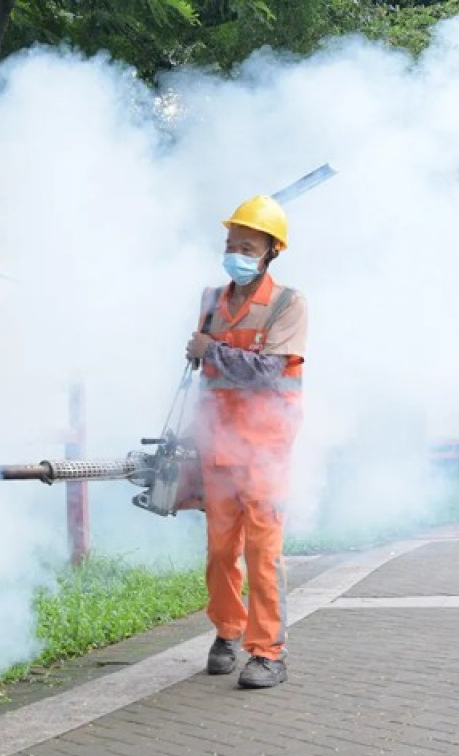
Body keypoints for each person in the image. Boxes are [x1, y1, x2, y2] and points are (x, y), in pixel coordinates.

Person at [184, 195, 307, 690]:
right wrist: (200, 352)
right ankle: (227, 633)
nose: (235, 252)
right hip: (217, 444)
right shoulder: (211, 301)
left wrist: (209, 349)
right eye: (231, 243)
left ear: (270, 252)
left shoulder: (288, 304)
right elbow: (203, 367)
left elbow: (267, 373)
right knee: (219, 551)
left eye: (247, 246)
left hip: (265, 449)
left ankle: (268, 653)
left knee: (262, 551)